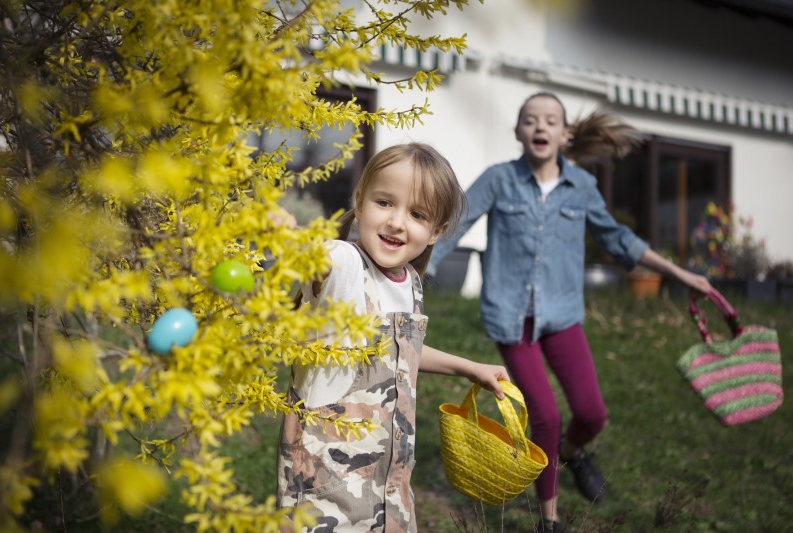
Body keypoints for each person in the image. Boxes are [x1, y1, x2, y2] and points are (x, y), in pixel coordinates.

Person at [427, 93, 713, 533]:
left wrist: (679, 274)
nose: (540, 127)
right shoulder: (499, 179)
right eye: (529, 120)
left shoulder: (581, 187)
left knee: (592, 413)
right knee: (545, 414)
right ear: (518, 131)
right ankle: (550, 519)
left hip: (561, 313)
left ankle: (573, 453)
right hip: (512, 317)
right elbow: (456, 223)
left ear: (565, 133)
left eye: (550, 120)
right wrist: (413, 269)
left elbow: (619, 238)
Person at [276, 143, 510, 532]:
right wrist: (286, 231)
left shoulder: (410, 283)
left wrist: (469, 368)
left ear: (436, 231)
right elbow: (319, 255)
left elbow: (401, 351)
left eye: (417, 214)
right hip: (325, 496)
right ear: (360, 201)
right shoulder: (346, 267)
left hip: (390, 494)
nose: (397, 222)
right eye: (384, 202)